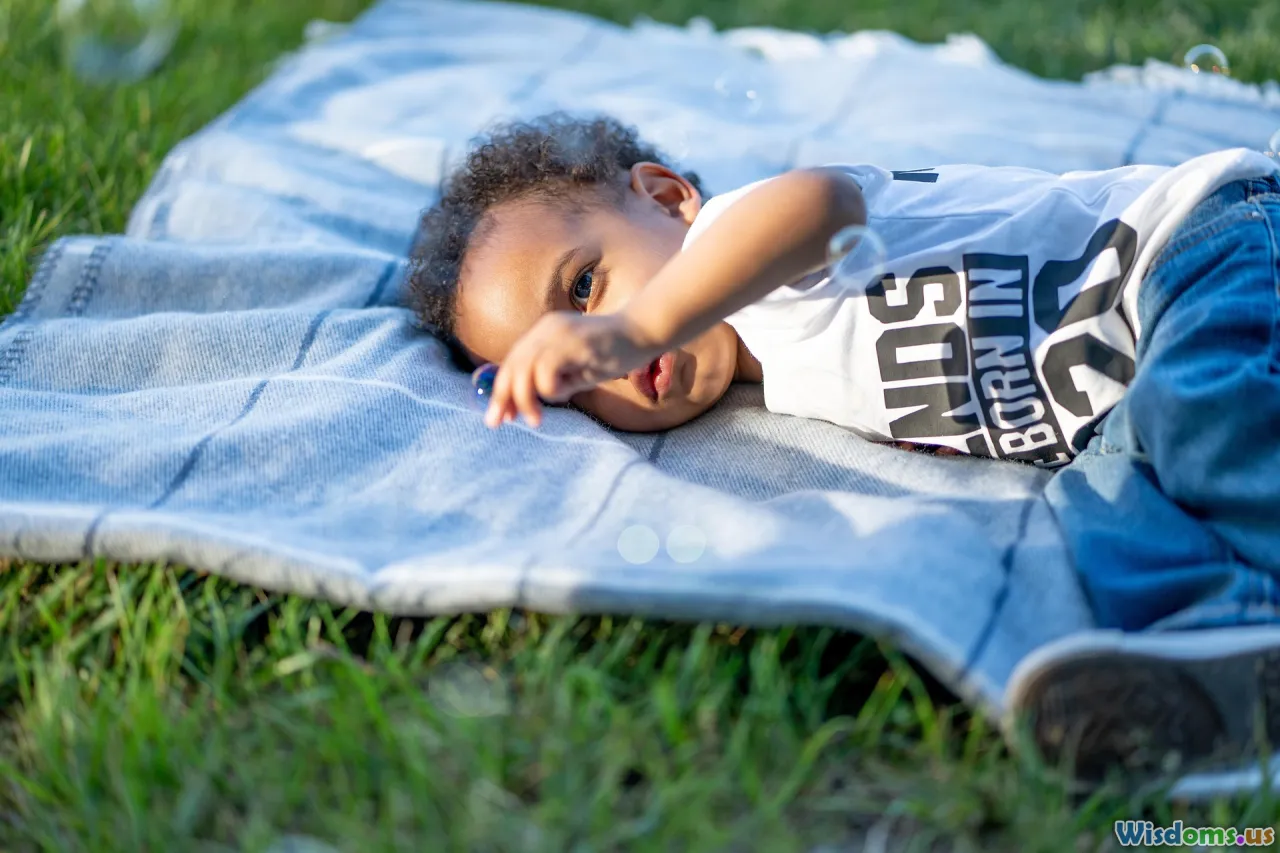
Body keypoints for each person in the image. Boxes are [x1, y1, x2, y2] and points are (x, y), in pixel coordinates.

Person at [407, 112, 1280, 782]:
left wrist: (641, 323)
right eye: (563, 371)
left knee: (1207, 421)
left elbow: (823, 206)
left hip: (1193, 251)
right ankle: (1226, 658)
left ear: (668, 198)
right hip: (1114, 400)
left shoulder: (743, 249)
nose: (594, 354)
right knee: (1112, 519)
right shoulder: (775, 394)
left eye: (585, 285)